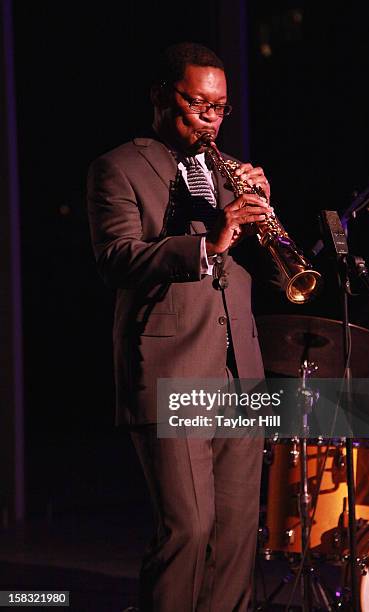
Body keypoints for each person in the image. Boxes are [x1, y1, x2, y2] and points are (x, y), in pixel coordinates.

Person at [87, 41, 280, 612]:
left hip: (242, 375)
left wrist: (266, 217)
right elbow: (117, 258)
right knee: (189, 531)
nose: (209, 118)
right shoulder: (118, 167)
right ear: (160, 97)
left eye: (219, 107)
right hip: (174, 370)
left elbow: (266, 278)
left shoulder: (231, 175)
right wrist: (207, 241)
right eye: (196, 104)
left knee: (238, 537)